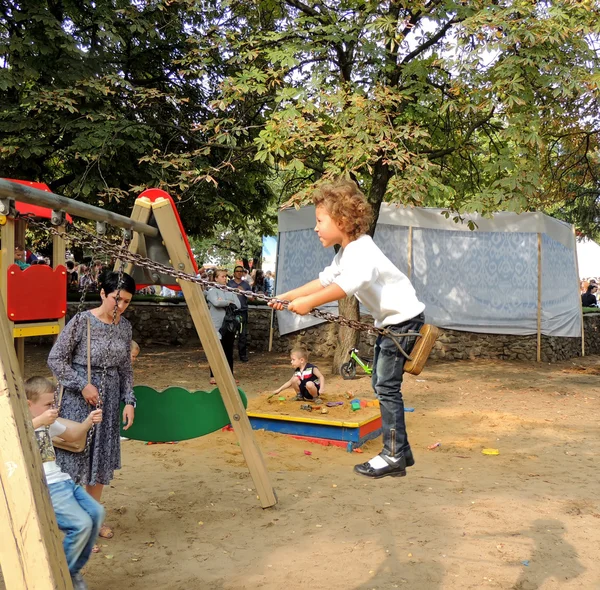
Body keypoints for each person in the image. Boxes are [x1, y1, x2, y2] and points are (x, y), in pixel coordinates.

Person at [270, 179, 425, 480]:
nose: (315, 228)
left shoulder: (361, 250)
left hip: (403, 320)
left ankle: (393, 455)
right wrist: (289, 296)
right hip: (391, 323)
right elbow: (325, 280)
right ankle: (401, 450)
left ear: (340, 221)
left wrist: (309, 303)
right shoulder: (345, 253)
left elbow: (349, 285)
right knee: (381, 383)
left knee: (385, 387)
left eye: (319, 221)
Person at [48, 270, 137, 544]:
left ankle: (92, 519)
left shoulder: (125, 327)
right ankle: (73, 523)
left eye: (126, 302)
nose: (120, 306)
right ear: (102, 294)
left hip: (108, 401)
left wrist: (129, 400)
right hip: (79, 401)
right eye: (116, 299)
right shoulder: (81, 322)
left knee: (99, 462)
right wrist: (81, 385)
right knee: (76, 458)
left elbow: (125, 368)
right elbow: (56, 359)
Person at [25, 376, 104, 590]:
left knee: (96, 513)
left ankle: (71, 570)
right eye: (48, 404)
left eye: (53, 403)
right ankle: (63, 573)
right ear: (28, 404)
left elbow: (72, 435)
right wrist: (40, 422)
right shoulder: (16, 424)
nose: (52, 408)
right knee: (81, 525)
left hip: (64, 481)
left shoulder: (46, 421)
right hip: (46, 486)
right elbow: (16, 439)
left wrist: (89, 421)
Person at [207, 269, 241, 384]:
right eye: (222, 276)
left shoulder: (230, 291)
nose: (224, 278)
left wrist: (225, 301)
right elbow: (216, 302)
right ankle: (213, 376)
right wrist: (228, 302)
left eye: (225, 276)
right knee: (216, 351)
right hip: (216, 326)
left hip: (229, 325)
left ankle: (229, 375)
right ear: (216, 278)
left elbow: (238, 304)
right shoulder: (212, 291)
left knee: (228, 351)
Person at [228, 265, 252, 362]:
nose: (239, 272)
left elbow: (252, 298)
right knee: (230, 334)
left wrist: (244, 292)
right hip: (232, 312)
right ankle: (229, 355)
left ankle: (243, 356)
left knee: (243, 335)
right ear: (234, 273)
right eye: (237, 271)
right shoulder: (229, 284)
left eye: (241, 271)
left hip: (243, 312)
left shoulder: (246, 285)